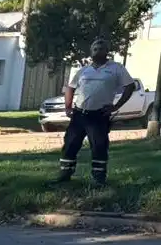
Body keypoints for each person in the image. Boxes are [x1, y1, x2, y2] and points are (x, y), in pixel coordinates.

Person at [57, 37, 137, 186]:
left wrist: (116, 106)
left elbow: (130, 86)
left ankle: (98, 178)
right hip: (80, 114)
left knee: (99, 146)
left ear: (107, 51)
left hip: (99, 115)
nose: (97, 51)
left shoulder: (116, 68)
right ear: (90, 52)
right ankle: (65, 174)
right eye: (95, 49)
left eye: (101, 49)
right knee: (70, 143)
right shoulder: (84, 70)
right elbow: (71, 87)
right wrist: (68, 107)